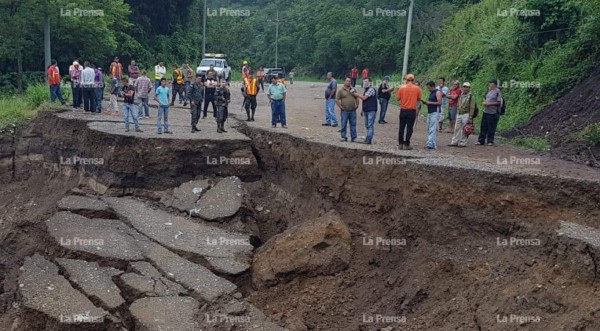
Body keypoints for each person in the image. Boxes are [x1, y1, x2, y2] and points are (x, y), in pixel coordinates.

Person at [395, 74, 422, 150]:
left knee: (401, 127)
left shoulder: (401, 87)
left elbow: (397, 98)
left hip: (403, 110)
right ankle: (406, 144)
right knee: (409, 128)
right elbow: (419, 98)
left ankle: (400, 144)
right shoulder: (417, 88)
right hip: (412, 111)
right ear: (413, 80)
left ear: (406, 80)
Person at [449, 82, 476, 147]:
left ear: (469, 88)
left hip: (466, 114)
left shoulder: (471, 97)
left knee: (465, 129)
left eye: (467, 87)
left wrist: (470, 117)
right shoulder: (461, 95)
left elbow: (472, 107)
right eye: (464, 87)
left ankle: (463, 142)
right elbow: (458, 103)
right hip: (459, 113)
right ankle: (454, 142)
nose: (465, 88)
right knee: (456, 128)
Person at [478, 79, 503, 146]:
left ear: (494, 84)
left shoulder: (498, 92)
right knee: (483, 126)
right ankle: (481, 140)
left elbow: (499, 102)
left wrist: (489, 104)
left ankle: (490, 140)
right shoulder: (489, 91)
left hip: (492, 112)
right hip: (486, 111)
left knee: (491, 127)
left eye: (490, 83)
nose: (489, 84)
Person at [353, 78, 377, 144]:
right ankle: (368, 138)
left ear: (370, 83)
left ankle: (369, 139)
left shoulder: (371, 89)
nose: (365, 83)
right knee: (367, 125)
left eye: (366, 81)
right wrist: (362, 110)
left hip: (371, 110)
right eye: (364, 81)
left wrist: (357, 95)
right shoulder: (366, 90)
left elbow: (364, 98)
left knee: (369, 124)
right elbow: (365, 101)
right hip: (367, 110)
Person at [422, 81, 443, 149]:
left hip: (435, 112)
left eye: (429, 88)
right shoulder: (431, 93)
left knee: (432, 128)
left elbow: (439, 102)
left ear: (432, 86)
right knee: (429, 128)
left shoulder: (438, 92)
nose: (428, 89)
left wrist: (429, 103)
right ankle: (433, 143)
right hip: (430, 112)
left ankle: (430, 144)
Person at [336, 77, 358, 142]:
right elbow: (337, 99)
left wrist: (357, 105)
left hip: (352, 110)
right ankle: (343, 137)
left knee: (353, 124)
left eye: (349, 81)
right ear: (344, 82)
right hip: (344, 110)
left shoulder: (353, 90)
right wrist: (340, 107)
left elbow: (357, 97)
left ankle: (353, 137)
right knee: (343, 124)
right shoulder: (341, 90)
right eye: (347, 81)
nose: (348, 82)